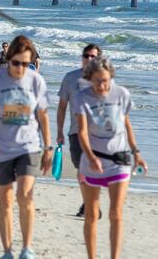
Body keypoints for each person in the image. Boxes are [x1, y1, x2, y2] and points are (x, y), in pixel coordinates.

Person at [0, 35, 52, 259]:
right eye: (16, 63)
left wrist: (48, 148)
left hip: (29, 146)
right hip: (0, 148)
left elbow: (43, 116)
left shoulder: (35, 81)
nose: (20, 68)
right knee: (5, 199)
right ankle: (8, 251)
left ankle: (27, 249)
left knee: (25, 194)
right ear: (8, 59)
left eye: (25, 63)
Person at [74, 57, 147, 259]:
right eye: (97, 80)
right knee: (91, 214)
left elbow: (127, 125)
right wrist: (90, 156)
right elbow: (82, 132)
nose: (102, 85)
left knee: (115, 213)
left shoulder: (121, 94)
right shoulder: (82, 97)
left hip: (119, 160)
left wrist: (137, 152)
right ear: (90, 79)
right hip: (92, 160)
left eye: (105, 80)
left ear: (111, 77)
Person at [56, 43, 101, 218]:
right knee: (81, 169)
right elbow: (61, 107)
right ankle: (88, 202)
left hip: (99, 134)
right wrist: (59, 131)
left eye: (93, 57)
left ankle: (90, 204)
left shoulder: (103, 79)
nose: (89, 59)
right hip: (76, 132)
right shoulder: (70, 78)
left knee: (94, 169)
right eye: (86, 56)